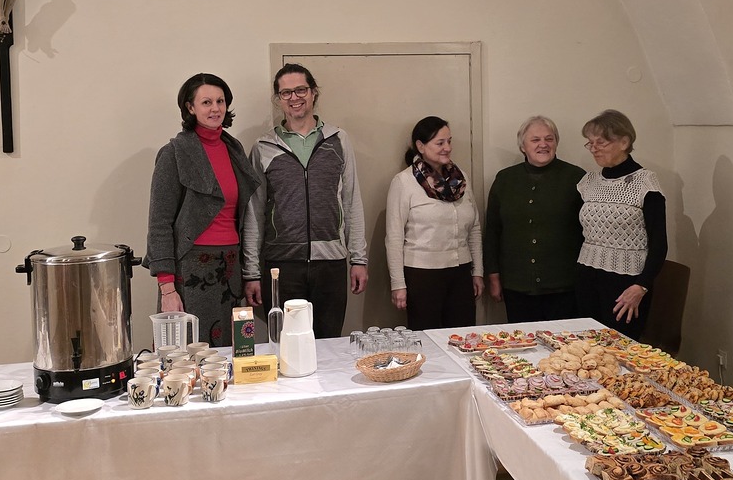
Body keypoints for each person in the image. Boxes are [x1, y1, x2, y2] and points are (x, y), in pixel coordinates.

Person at [241, 63, 368, 338]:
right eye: (286, 93)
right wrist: (251, 273)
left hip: (331, 264)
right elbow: (254, 212)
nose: (294, 98)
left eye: (300, 90)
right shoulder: (263, 147)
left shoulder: (338, 140)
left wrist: (359, 259)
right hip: (281, 266)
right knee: (285, 345)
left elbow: (351, 202)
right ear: (278, 99)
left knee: (329, 345)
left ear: (313, 93)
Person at [145, 73, 263, 348]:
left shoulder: (234, 150)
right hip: (191, 270)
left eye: (220, 101)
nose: (215, 109)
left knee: (233, 353)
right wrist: (167, 288)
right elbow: (159, 223)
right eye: (206, 102)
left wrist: (249, 273)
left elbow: (243, 216)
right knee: (188, 356)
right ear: (190, 107)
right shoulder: (174, 153)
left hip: (231, 268)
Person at [575, 109, 667, 341]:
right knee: (586, 350)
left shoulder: (644, 182)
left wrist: (641, 287)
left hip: (626, 286)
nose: (594, 148)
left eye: (601, 142)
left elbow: (659, 243)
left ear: (624, 142)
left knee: (620, 350)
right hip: (587, 280)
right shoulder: (588, 182)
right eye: (590, 143)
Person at [483, 115, 585, 323]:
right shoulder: (505, 179)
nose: (543, 144)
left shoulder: (576, 178)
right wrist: (493, 275)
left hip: (563, 286)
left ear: (556, 143)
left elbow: (588, 232)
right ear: (523, 146)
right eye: (535, 140)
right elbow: (493, 231)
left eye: (549, 139)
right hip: (517, 285)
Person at [386, 116, 483, 330]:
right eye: (440, 143)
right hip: (422, 274)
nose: (447, 148)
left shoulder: (461, 179)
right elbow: (394, 237)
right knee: (426, 338)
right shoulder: (404, 182)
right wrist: (398, 284)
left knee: (463, 335)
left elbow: (474, 228)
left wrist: (477, 271)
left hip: (461, 272)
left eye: (449, 141)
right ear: (421, 146)